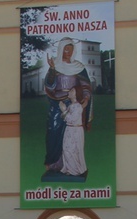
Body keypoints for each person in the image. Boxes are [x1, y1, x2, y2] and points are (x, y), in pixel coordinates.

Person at [44, 37, 93, 174]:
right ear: (61, 49)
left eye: (70, 49)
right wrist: (53, 70)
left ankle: (72, 166)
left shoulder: (78, 67)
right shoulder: (56, 65)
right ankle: (54, 163)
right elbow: (49, 85)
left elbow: (85, 85)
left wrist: (87, 98)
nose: (68, 52)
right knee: (53, 131)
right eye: (66, 49)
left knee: (72, 136)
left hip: (73, 104)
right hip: (57, 102)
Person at [59, 86, 89, 176]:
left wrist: (63, 110)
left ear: (77, 94)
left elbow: (71, 119)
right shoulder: (71, 105)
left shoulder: (77, 106)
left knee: (71, 150)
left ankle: (75, 170)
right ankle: (70, 168)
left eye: (72, 90)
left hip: (75, 130)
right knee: (67, 149)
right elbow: (64, 118)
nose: (69, 91)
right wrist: (64, 110)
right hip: (70, 130)